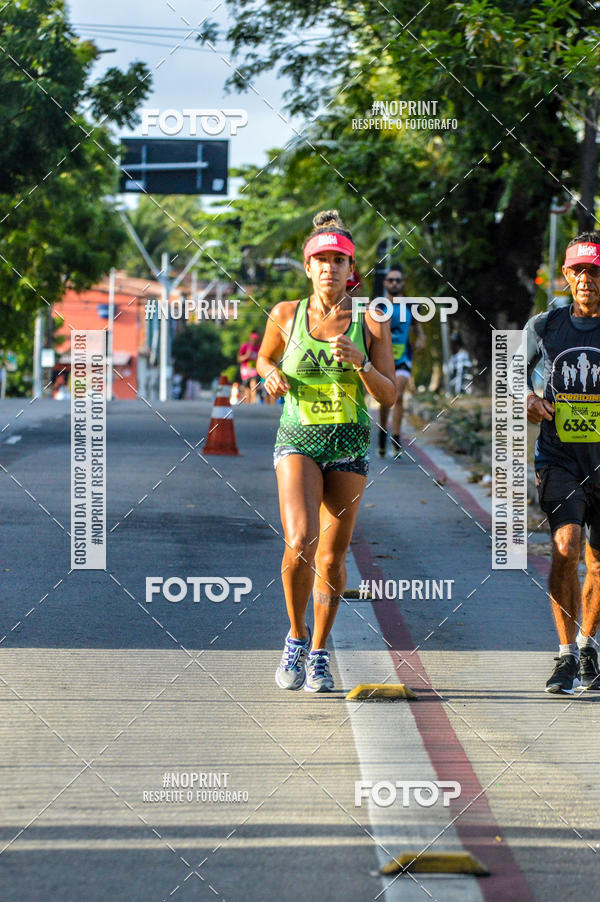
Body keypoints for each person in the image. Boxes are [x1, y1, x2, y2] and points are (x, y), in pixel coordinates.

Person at [256, 210, 396, 692]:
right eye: (321, 259)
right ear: (307, 265)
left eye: (339, 260)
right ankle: (295, 640)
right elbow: (265, 354)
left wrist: (361, 364)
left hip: (349, 441)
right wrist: (267, 374)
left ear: (350, 269)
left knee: (333, 560)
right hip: (298, 436)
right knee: (300, 541)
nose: (330, 268)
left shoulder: (371, 321)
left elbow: (389, 395)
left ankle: (319, 651)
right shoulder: (285, 313)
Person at [526, 231, 600, 694]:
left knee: (599, 563)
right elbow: (513, 378)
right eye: (578, 270)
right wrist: (528, 399)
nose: (586, 279)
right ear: (566, 275)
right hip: (559, 458)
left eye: (594, 271)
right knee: (567, 546)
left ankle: (589, 644)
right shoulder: (544, 326)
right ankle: (565, 655)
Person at [376, 267, 426, 458]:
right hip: (383, 360)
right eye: (391, 280)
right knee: (384, 399)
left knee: (397, 396)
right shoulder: (378, 306)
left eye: (398, 280)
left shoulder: (410, 306)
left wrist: (421, 339)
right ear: (385, 283)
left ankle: (396, 439)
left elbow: (418, 327)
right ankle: (382, 434)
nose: (394, 283)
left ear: (403, 283)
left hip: (404, 358)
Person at [237, 331, 262, 403]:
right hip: (246, 371)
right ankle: (248, 404)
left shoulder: (260, 346)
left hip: (255, 370)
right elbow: (239, 359)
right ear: (250, 339)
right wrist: (246, 356)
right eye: (253, 340)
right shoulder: (245, 346)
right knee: (247, 388)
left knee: (253, 384)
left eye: (256, 340)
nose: (255, 342)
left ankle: (252, 402)